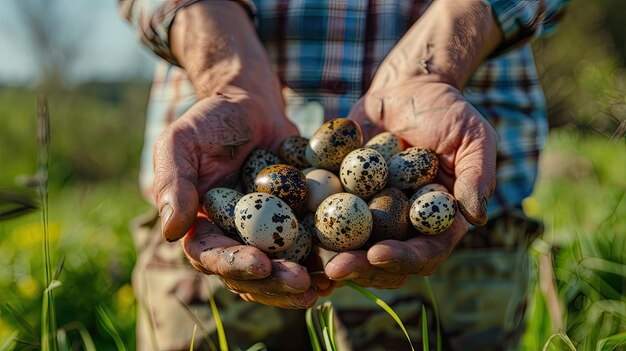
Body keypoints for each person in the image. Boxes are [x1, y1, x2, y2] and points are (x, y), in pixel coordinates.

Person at [120, 0, 570, 350]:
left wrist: (441, 57)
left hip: (462, 210)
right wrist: (226, 70)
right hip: (216, 185)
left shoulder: (381, 186)